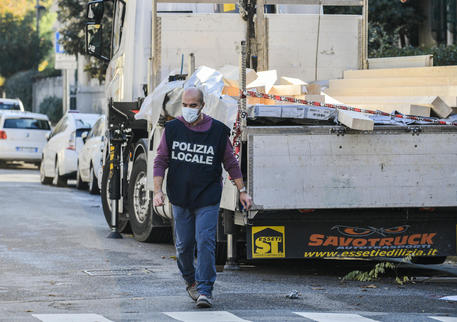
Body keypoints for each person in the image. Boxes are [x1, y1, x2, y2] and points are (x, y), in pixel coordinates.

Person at [153, 87, 252, 308]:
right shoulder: (172, 129)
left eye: (193, 105)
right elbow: (160, 160)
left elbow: (231, 164)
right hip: (180, 197)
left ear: (202, 106)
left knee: (205, 242)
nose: (188, 109)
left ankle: (205, 289)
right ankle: (190, 280)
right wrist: (157, 191)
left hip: (207, 196)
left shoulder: (217, 132)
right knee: (183, 246)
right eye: (185, 105)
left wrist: (242, 190)